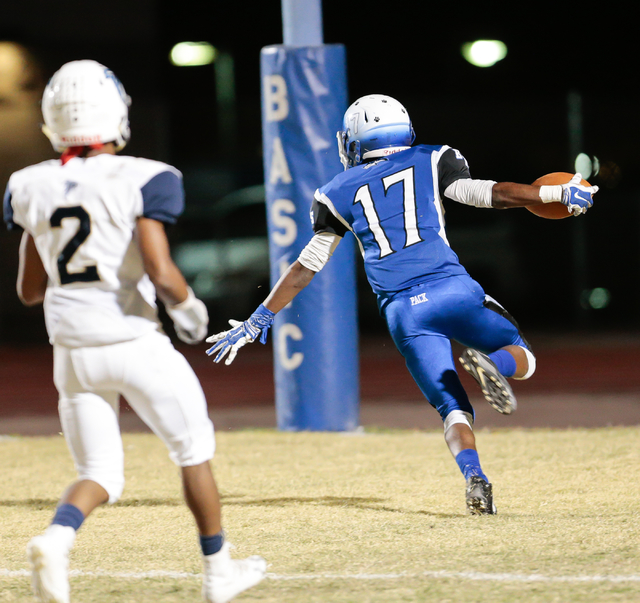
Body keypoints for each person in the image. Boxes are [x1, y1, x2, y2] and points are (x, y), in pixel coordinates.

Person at [206, 94, 598, 515]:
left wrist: (258, 318)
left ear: (355, 141)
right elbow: (491, 194)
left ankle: (475, 477)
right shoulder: (431, 159)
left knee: (451, 408)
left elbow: (307, 265)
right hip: (451, 289)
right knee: (524, 355)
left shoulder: (336, 191)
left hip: (403, 312)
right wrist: (555, 192)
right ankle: (494, 365)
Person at [3, 60, 266, 603]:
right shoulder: (144, 175)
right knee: (193, 449)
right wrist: (189, 308)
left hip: (70, 352)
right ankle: (219, 573)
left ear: (54, 121)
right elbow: (159, 267)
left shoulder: (28, 185)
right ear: (115, 112)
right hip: (131, 339)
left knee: (100, 471)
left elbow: (30, 290)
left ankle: (56, 539)